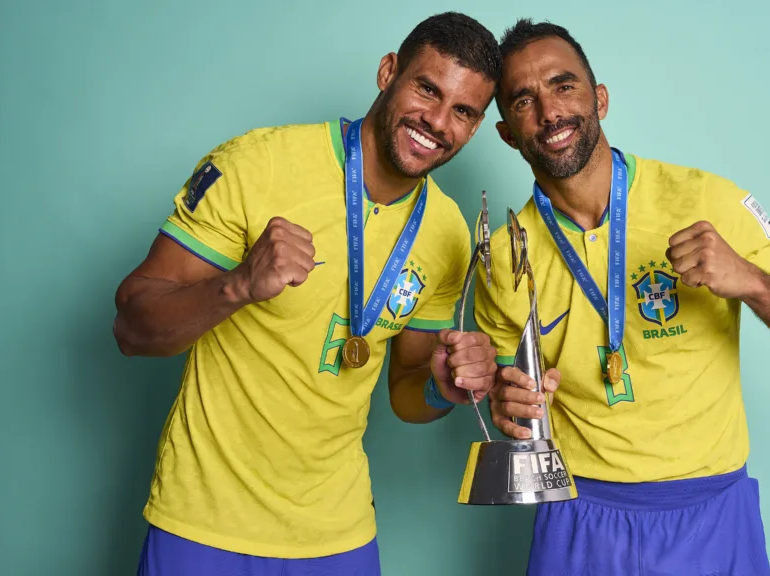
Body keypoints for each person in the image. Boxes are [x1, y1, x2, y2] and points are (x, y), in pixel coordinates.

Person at [113, 12, 501, 576]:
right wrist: (239, 285)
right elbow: (131, 327)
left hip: (337, 537)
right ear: (388, 71)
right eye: (427, 88)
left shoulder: (447, 232)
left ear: (476, 126)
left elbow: (405, 390)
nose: (437, 120)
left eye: (462, 111)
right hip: (203, 525)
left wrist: (444, 389)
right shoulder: (257, 164)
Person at [475, 18, 770, 576]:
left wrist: (748, 278)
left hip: (713, 516)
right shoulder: (504, 254)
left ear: (599, 98)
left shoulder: (706, 199)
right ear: (508, 132)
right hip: (579, 519)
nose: (550, 111)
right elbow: (511, 407)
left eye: (564, 86)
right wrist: (510, 406)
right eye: (524, 99)